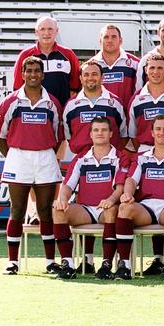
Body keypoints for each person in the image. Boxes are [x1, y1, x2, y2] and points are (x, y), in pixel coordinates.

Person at [0, 56, 64, 275]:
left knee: (45, 211)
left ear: (43, 74)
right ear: (22, 74)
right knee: (17, 210)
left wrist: (43, 151)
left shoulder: (52, 102)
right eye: (29, 70)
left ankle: (50, 261)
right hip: (18, 157)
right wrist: (13, 155)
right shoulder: (11, 101)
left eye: (37, 71)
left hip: (45, 158)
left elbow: (57, 134)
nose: (33, 74)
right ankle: (12, 262)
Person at [113, 115, 164, 280]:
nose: (161, 132)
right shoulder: (141, 156)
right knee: (124, 208)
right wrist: (127, 194)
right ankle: (125, 266)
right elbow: (131, 179)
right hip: (146, 207)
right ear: (152, 132)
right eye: (158, 129)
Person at [51, 117, 130, 279]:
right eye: (96, 130)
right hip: (85, 209)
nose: (100, 133)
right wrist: (63, 199)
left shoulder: (120, 157)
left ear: (111, 134)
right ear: (91, 135)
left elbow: (120, 187)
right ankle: (68, 264)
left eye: (104, 130)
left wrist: (111, 200)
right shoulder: (81, 158)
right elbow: (67, 185)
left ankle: (106, 265)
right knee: (58, 211)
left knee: (111, 210)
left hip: (107, 208)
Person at [63, 60, 128, 155]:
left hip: (110, 160)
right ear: (81, 78)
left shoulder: (115, 103)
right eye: (86, 75)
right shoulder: (71, 105)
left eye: (94, 74)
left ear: (102, 78)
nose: (90, 78)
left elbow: (123, 135)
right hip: (81, 159)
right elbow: (69, 136)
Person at [13, 16, 80, 106]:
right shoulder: (25, 55)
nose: (46, 33)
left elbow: (75, 90)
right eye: (42, 29)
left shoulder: (69, 55)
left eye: (50, 29)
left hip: (62, 112)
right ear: (36, 32)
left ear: (56, 31)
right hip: (34, 113)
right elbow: (17, 88)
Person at [91, 24, 140, 106]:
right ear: (100, 41)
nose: (110, 40)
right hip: (99, 116)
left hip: (126, 116)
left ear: (120, 40)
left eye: (113, 37)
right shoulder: (91, 65)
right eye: (106, 37)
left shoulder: (135, 64)